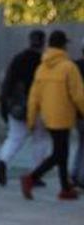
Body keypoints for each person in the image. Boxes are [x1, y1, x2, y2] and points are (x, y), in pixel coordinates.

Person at [21, 30, 84, 200]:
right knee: (59, 154)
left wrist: (31, 119)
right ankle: (32, 177)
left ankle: (65, 188)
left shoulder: (42, 68)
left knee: (61, 152)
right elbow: (78, 95)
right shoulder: (69, 67)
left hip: (48, 117)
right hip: (63, 116)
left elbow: (34, 97)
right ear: (64, 45)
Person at [0, 30, 51, 186]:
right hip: (38, 107)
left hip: (17, 107)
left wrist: (5, 103)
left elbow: (8, 83)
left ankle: (2, 160)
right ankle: (35, 174)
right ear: (43, 42)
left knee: (14, 138)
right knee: (40, 139)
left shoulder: (18, 59)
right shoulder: (44, 62)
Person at [73, 36, 84, 188]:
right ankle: (80, 176)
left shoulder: (73, 66)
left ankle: (75, 173)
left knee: (81, 143)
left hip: (75, 113)